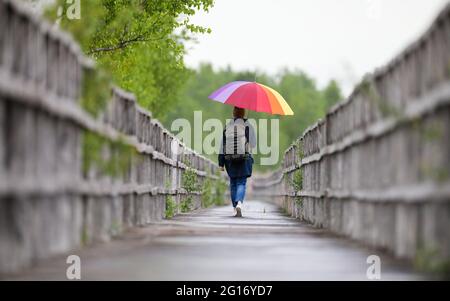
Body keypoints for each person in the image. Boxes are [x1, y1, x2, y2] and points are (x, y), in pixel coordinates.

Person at [219, 107, 256, 217]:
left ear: (233, 113)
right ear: (243, 113)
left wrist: (221, 163)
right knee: (241, 183)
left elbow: (222, 146)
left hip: (230, 160)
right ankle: (239, 202)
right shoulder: (248, 125)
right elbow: (253, 144)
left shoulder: (228, 126)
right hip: (244, 158)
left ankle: (235, 207)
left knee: (233, 183)